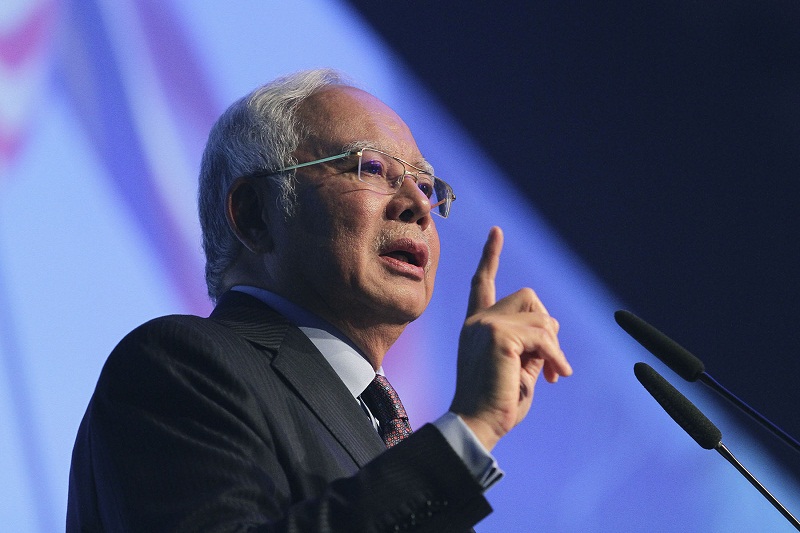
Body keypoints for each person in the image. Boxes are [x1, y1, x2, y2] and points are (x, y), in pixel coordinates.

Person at [67, 68, 573, 532]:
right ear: (254, 214)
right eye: (372, 168)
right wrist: (470, 428)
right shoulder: (179, 366)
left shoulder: (380, 429)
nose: (420, 205)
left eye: (426, 185)